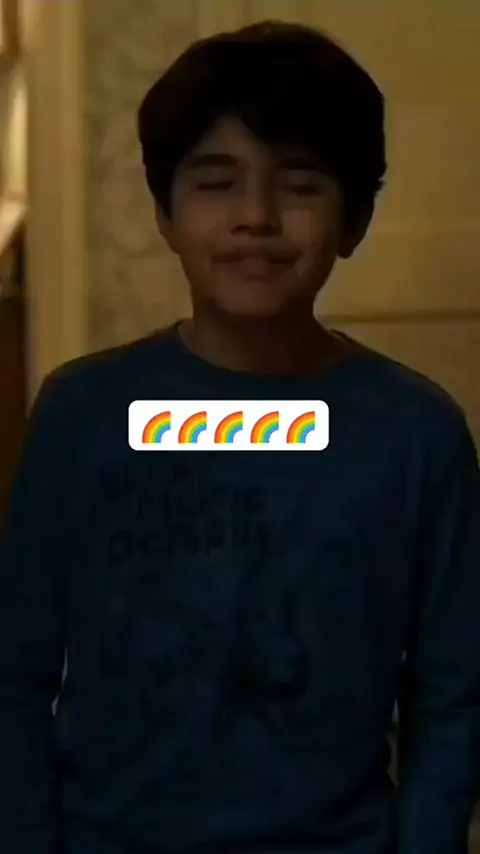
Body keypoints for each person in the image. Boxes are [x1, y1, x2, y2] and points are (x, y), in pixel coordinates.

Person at [0, 19, 479, 854]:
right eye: (216, 182)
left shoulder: (417, 435)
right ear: (164, 211)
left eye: (298, 184)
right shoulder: (82, 416)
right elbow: (16, 672)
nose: (254, 217)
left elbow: (453, 693)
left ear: (355, 219)